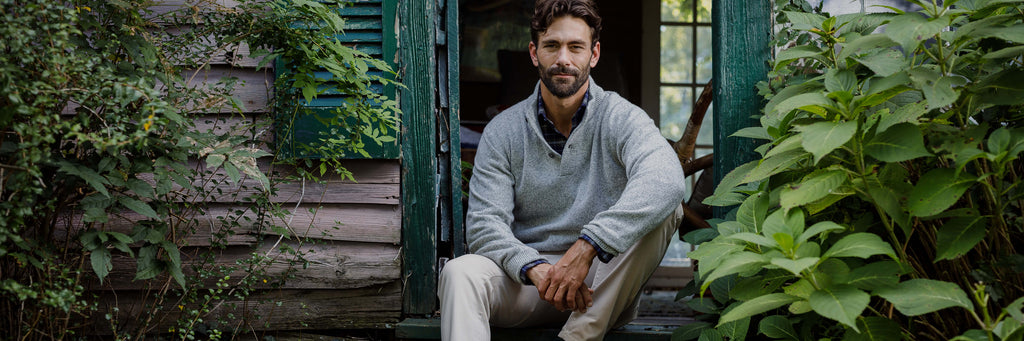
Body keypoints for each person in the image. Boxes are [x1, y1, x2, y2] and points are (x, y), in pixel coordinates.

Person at [437, 0, 686, 339]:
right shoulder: (503, 130)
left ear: (594, 55)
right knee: (458, 273)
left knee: (667, 205)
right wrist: (535, 268)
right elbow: (484, 226)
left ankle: (577, 337)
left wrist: (587, 246)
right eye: (552, 46)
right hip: (529, 284)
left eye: (576, 47)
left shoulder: (622, 117)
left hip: (601, 286)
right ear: (534, 52)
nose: (563, 59)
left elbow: (666, 180)